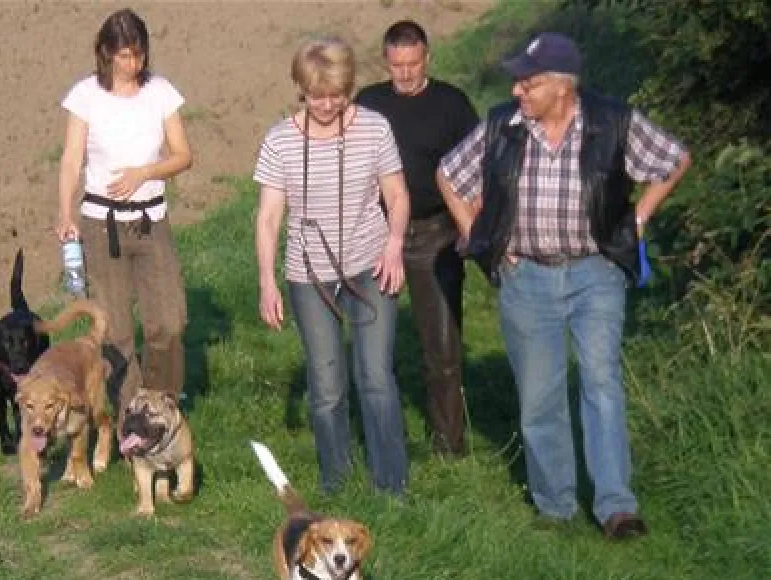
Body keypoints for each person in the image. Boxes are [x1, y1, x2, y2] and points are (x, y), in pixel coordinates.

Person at [438, 32, 691, 539]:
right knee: (539, 397)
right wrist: (479, 238)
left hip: (596, 273)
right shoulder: (501, 126)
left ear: (561, 86)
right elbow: (448, 174)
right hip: (526, 277)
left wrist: (639, 219)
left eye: (527, 82)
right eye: (517, 82)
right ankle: (556, 507)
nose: (517, 91)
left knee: (601, 384)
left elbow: (674, 159)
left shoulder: (612, 121)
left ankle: (616, 506)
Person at [254, 36, 410, 496]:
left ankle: (392, 485)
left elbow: (397, 194)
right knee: (326, 385)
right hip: (309, 274)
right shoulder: (280, 140)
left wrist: (394, 244)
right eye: (317, 96)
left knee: (375, 376)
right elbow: (268, 217)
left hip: (371, 263)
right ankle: (336, 482)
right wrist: (267, 282)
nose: (326, 105)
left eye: (337, 96)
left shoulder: (375, 128)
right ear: (301, 89)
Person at [57, 8, 193, 418]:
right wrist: (64, 212)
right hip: (102, 226)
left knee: (170, 321)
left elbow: (183, 155)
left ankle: (160, 405)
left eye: (139, 54)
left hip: (151, 221)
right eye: (125, 55)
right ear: (106, 53)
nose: (133, 63)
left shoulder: (161, 93)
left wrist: (145, 173)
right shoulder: (85, 96)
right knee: (115, 330)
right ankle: (129, 416)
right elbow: (71, 160)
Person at [356, 20, 479, 457]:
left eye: (413, 64)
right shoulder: (368, 104)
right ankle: (378, 436)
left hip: (435, 232)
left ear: (427, 58)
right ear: (385, 61)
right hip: (376, 232)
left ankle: (449, 443)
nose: (405, 74)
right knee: (372, 344)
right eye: (396, 65)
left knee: (442, 348)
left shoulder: (452, 105)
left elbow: (477, 168)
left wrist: (472, 227)